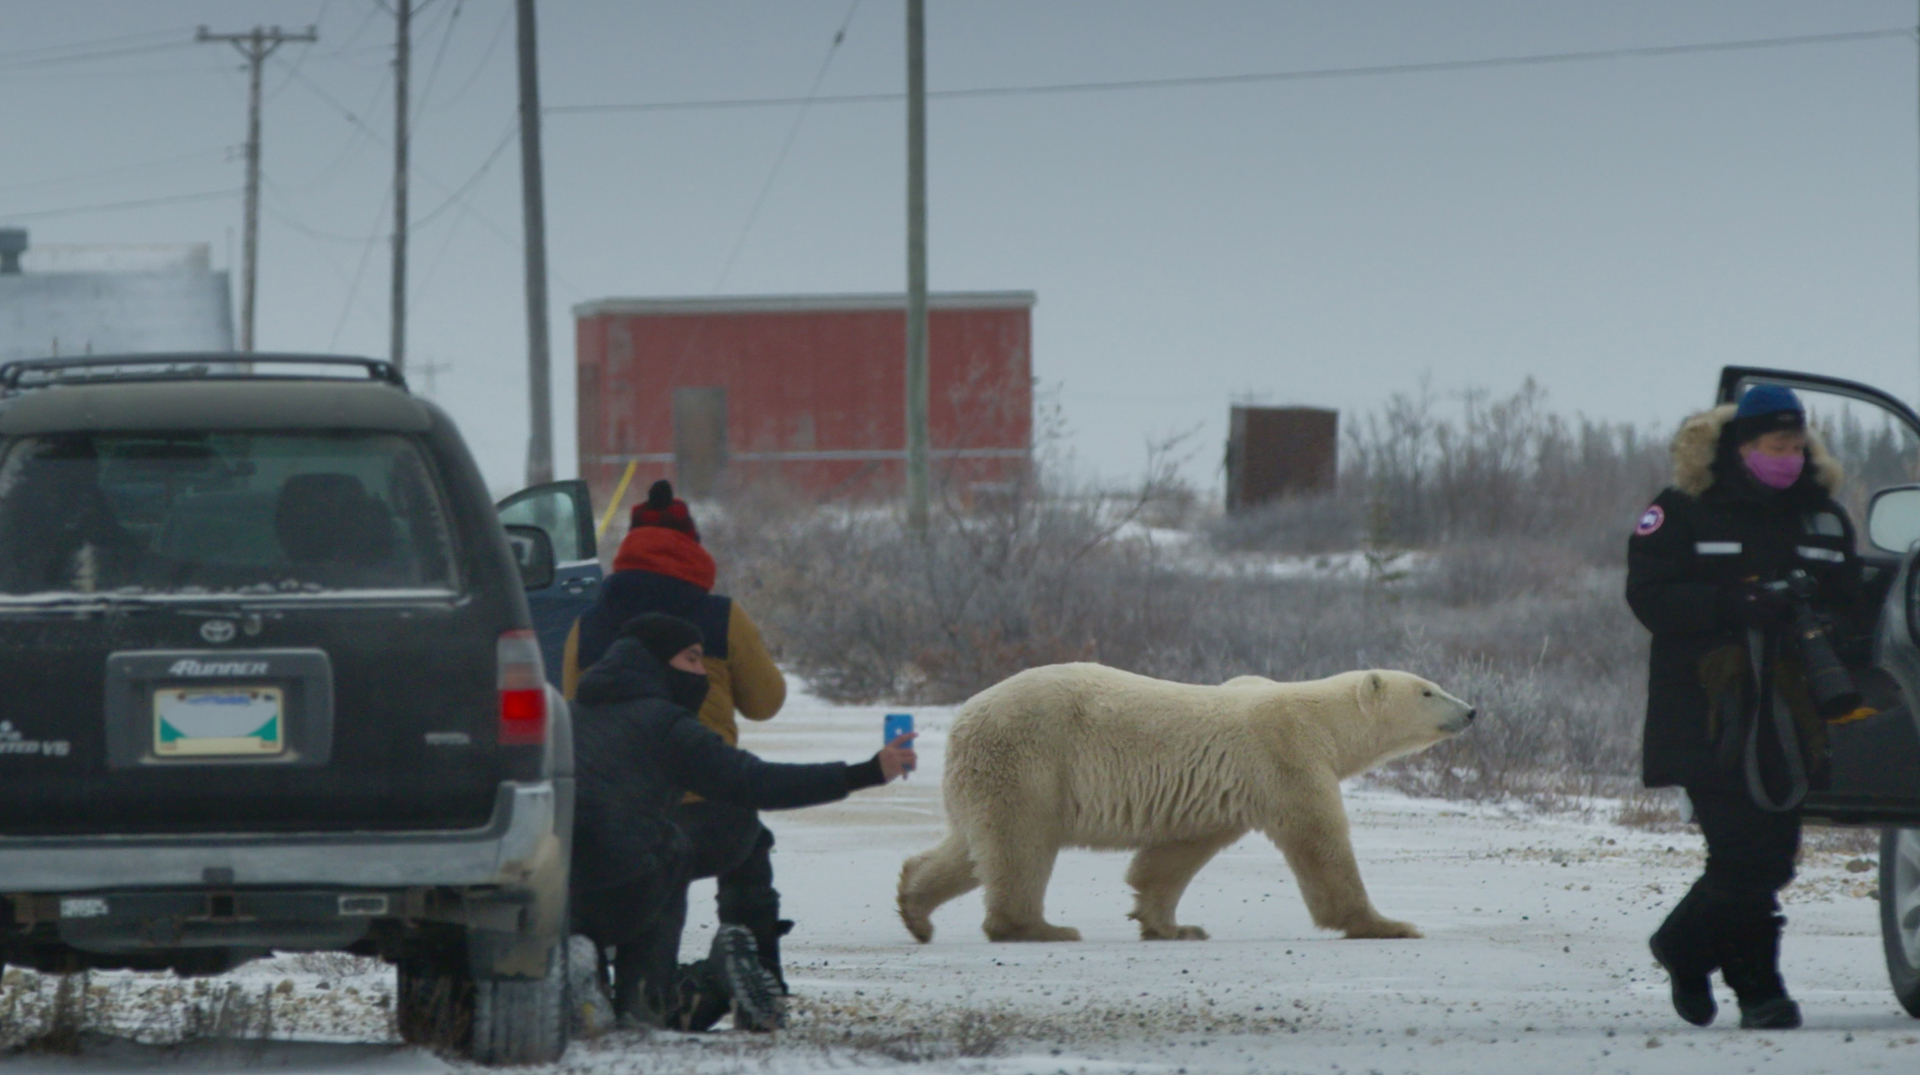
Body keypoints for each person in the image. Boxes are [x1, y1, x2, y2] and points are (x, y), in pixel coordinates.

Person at [1626, 384, 1866, 1030]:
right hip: (1706, 711)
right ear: (1743, 446)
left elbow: (1853, 600)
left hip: (1790, 715)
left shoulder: (1821, 516)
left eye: (1796, 444)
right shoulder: (1683, 509)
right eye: (1775, 445)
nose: (1788, 456)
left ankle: (1683, 945)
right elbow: (1648, 595)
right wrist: (1729, 605)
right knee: (1741, 852)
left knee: (1773, 857)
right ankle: (1761, 989)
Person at [568, 612, 916, 1030]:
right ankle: (647, 1002)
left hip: (556, 890)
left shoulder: (566, 716)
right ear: (658, 661)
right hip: (628, 884)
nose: (703, 673)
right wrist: (866, 772)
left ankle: (579, 979)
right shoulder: (666, 725)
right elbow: (756, 783)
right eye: (693, 659)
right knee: (666, 848)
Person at [561, 480, 796, 993]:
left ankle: (596, 979)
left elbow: (573, 707)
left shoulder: (590, 623)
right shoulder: (721, 618)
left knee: (626, 874)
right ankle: (756, 968)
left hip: (614, 822)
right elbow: (767, 702)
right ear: (693, 546)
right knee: (748, 837)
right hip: (707, 818)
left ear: (629, 545)